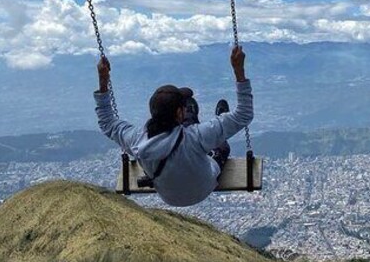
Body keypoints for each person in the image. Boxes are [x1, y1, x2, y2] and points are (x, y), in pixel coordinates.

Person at [94, 45, 252, 206]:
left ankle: (194, 116)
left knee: (194, 131)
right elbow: (243, 114)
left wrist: (103, 81)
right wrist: (239, 71)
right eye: (183, 108)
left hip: (169, 196)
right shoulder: (195, 137)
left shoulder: (136, 140)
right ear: (178, 113)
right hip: (202, 189)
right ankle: (217, 118)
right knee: (221, 148)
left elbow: (107, 122)